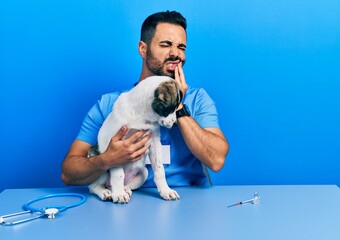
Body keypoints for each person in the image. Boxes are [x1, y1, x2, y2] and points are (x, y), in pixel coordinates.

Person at [61, 10, 229, 187]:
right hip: (130, 199)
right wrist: (106, 160)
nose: (175, 54)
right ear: (143, 49)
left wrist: (176, 103)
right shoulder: (110, 104)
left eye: (181, 47)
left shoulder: (197, 99)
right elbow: (68, 174)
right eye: (166, 44)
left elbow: (216, 160)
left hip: (188, 200)